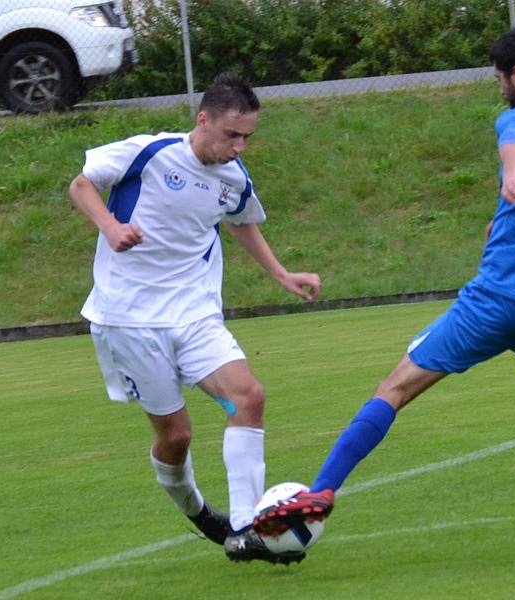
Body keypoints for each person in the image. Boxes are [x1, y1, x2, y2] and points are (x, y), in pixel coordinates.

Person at [253, 26, 515, 550]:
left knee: (394, 388)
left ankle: (323, 491)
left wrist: (511, 175)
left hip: (501, 297)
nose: (500, 88)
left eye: (499, 78)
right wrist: (505, 212)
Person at [69, 73, 321, 565]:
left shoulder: (234, 176)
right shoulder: (150, 152)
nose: (239, 145)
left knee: (248, 397)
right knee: (176, 436)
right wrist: (111, 226)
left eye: (247, 136)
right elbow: (82, 184)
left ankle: (247, 528)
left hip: (194, 314)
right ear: (202, 120)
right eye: (231, 134)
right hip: (129, 320)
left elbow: (241, 219)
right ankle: (198, 510)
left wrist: (281, 273)